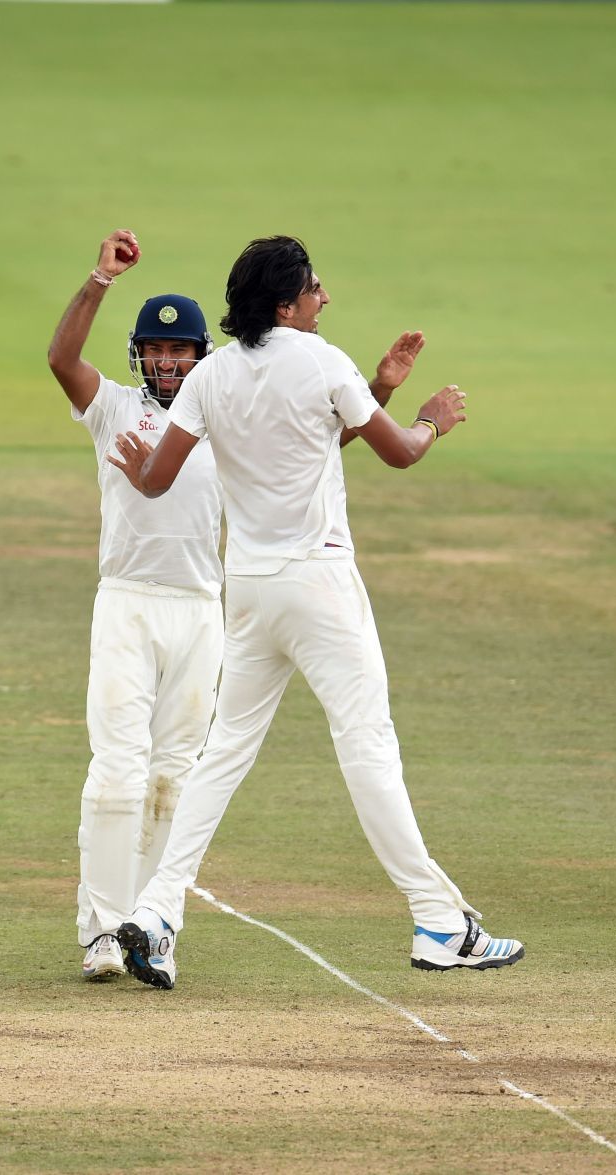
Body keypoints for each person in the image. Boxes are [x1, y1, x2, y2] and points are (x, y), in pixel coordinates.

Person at [107, 236, 525, 986]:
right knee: (367, 742)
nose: (324, 299)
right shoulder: (324, 361)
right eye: (315, 290)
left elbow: (161, 479)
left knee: (224, 752)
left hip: (252, 592)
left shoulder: (210, 376)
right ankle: (438, 921)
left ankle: (158, 912)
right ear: (284, 303)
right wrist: (430, 418)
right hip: (321, 582)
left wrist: (381, 386)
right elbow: (397, 452)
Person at [45, 229, 224, 982]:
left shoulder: (222, 416)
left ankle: (153, 927)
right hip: (126, 603)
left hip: (201, 609)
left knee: (174, 777)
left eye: (180, 353)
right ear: (141, 355)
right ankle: (100, 932)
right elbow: (61, 360)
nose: (168, 362)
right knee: (118, 770)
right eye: (157, 350)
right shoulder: (114, 407)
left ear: (199, 357)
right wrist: (97, 280)